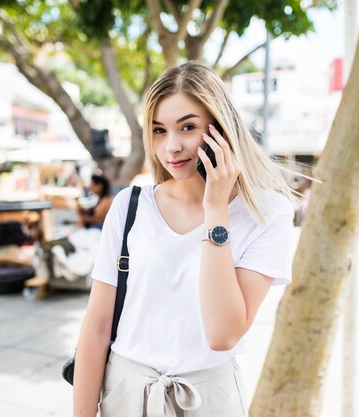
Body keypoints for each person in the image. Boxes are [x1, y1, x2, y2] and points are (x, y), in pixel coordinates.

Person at [72, 61, 296, 417]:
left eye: (187, 127)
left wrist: (216, 211)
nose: (171, 147)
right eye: (159, 131)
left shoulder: (269, 213)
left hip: (208, 399)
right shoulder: (131, 206)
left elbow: (223, 334)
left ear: (221, 129)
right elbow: (97, 326)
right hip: (126, 393)